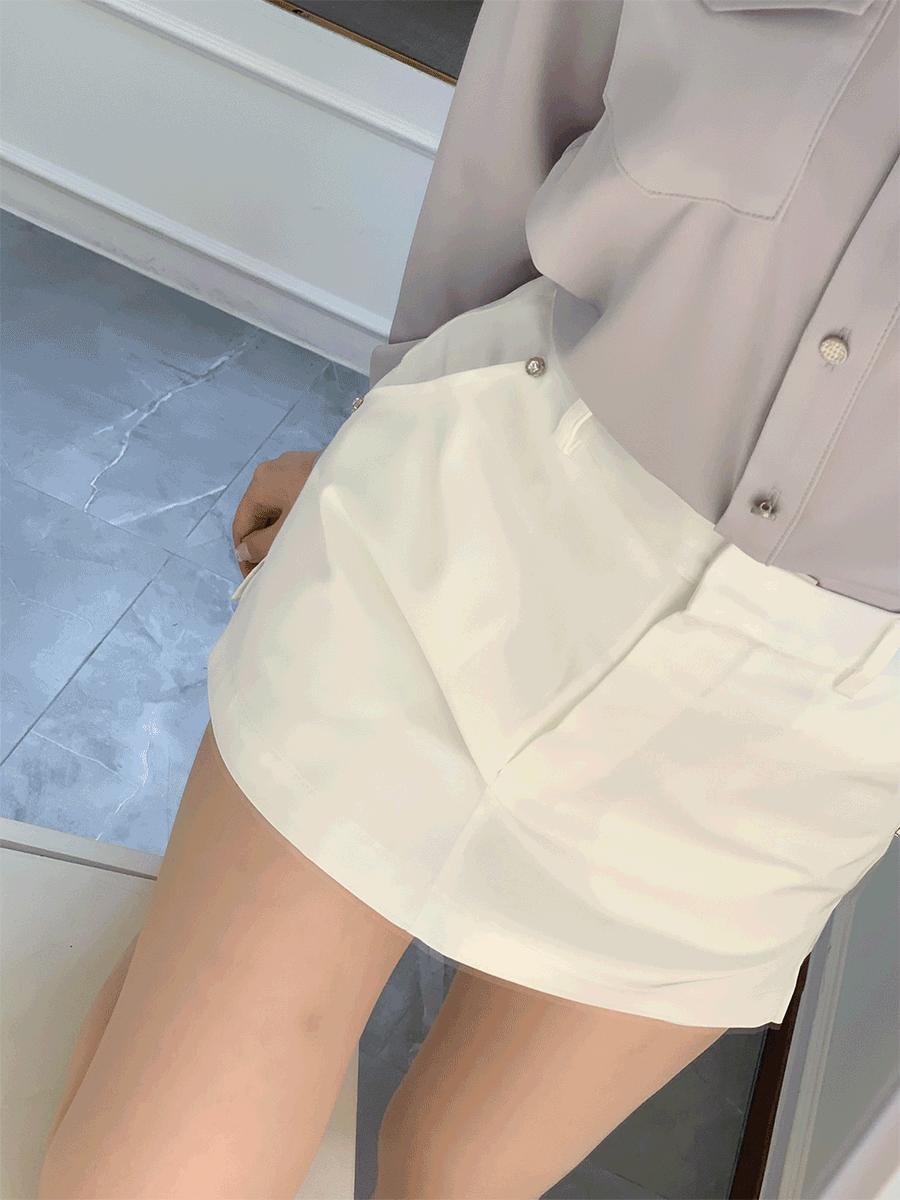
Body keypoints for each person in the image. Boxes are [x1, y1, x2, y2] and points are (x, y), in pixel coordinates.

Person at [39, 0, 899, 1197]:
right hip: (493, 491)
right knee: (160, 1144)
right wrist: (385, 422)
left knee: (456, 1168)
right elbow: (527, 104)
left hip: (817, 727)